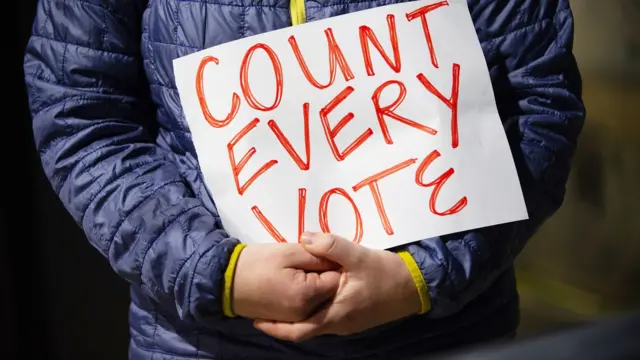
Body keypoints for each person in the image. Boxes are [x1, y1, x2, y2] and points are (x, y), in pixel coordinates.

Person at [23, 0, 585, 359]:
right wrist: (215, 271)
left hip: (444, 335)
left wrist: (422, 275)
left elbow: (537, 105)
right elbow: (82, 113)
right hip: (202, 344)